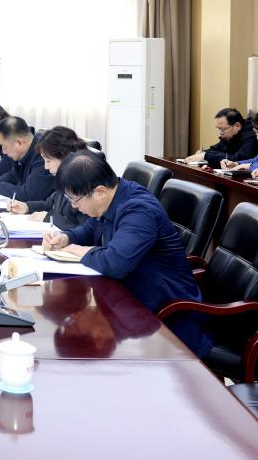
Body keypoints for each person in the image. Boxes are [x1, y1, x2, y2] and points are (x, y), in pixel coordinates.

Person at [41, 151, 210, 356]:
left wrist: (82, 251)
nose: (74, 206)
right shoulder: (112, 198)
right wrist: (67, 238)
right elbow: (90, 229)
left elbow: (115, 264)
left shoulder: (138, 211)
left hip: (168, 323)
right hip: (130, 300)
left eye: (75, 200)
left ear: (100, 191)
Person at [8, 126, 90, 230]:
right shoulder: (64, 178)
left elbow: (86, 229)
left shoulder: (84, 183)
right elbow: (50, 203)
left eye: (49, 161)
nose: (46, 167)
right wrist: (27, 207)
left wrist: (49, 218)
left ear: (66, 157)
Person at [0, 116, 54, 201]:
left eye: (3, 146)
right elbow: (13, 176)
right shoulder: (22, 153)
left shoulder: (43, 155)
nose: (3, 152)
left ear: (19, 143)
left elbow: (29, 194)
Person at [186, 108, 258, 167]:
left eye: (223, 129)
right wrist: (204, 152)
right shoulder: (229, 136)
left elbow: (237, 159)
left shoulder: (253, 137)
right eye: (218, 129)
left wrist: (206, 156)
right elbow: (218, 148)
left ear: (237, 126)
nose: (220, 132)